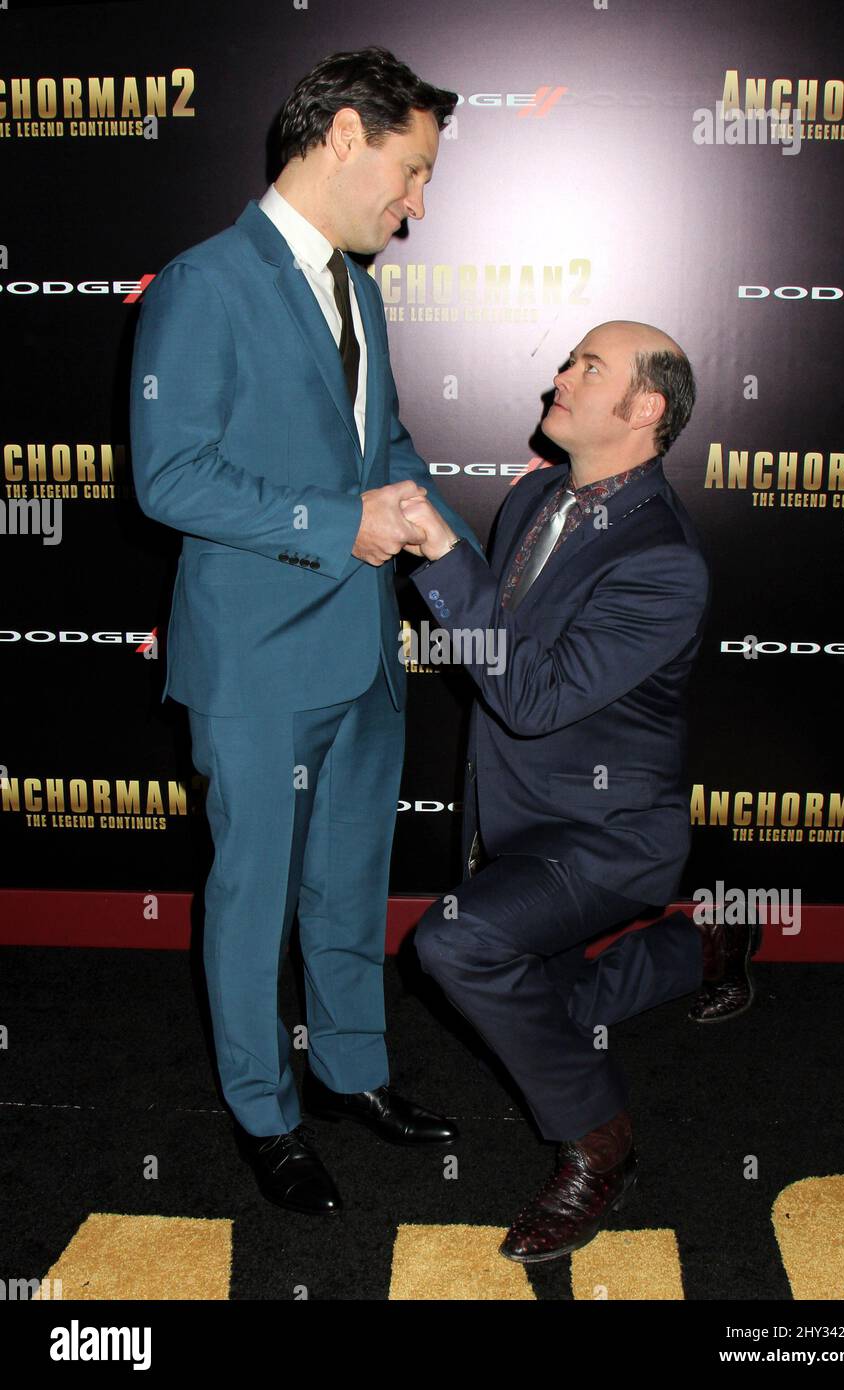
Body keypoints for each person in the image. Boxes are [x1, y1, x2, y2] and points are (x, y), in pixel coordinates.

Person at [128, 46, 482, 1218]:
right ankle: (264, 1112)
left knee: (345, 885)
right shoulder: (204, 281)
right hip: (257, 668)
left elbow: (379, 448)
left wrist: (444, 540)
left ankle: (350, 1071)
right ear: (342, 132)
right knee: (254, 900)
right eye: (413, 169)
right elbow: (168, 477)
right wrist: (342, 524)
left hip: (361, 653)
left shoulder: (359, 286)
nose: (419, 204)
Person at [400, 319, 723, 1262]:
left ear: (644, 409)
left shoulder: (662, 563)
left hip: (607, 840)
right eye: (569, 358)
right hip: (518, 819)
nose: (561, 374)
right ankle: (704, 945)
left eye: (590, 367)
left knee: (457, 945)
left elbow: (530, 695)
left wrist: (437, 557)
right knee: (557, 1004)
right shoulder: (538, 496)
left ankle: (600, 1142)